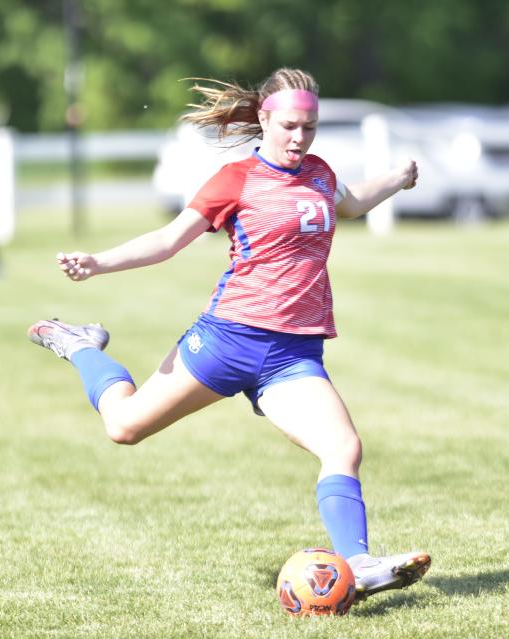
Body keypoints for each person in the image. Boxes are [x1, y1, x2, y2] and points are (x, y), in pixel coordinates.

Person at [27, 68, 430, 598]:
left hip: (292, 355)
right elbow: (169, 241)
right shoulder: (236, 179)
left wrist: (399, 177)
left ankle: (358, 563)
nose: (299, 138)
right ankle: (81, 346)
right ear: (264, 119)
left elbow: (350, 204)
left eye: (310, 127)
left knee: (342, 446)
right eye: (289, 126)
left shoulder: (320, 174)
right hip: (226, 341)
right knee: (123, 426)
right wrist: (97, 263)